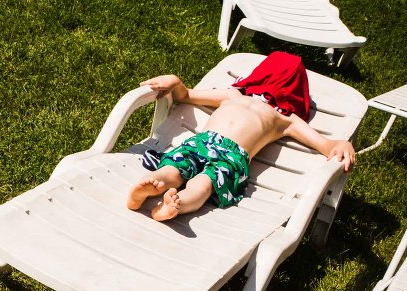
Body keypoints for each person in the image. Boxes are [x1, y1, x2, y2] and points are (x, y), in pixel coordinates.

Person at [126, 51, 356, 221]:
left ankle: (175, 206)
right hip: (201, 141)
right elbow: (186, 96)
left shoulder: (284, 119)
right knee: (173, 169)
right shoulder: (232, 95)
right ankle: (145, 190)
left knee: (203, 185)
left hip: (232, 157)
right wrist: (175, 82)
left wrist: (341, 143)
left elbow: (325, 144)